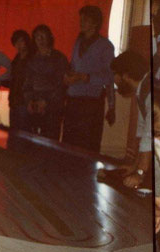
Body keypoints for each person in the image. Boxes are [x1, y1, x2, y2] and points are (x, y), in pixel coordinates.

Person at [62, 5, 115, 152]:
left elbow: (110, 76)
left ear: (95, 23)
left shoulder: (106, 46)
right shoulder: (78, 42)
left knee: (87, 145)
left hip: (91, 103)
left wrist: (111, 107)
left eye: (85, 20)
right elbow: (73, 65)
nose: (81, 22)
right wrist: (68, 75)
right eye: (81, 19)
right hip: (73, 99)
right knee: (69, 143)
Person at [110, 51, 150, 189]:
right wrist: (134, 166)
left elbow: (149, 133)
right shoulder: (141, 92)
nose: (113, 79)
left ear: (126, 76)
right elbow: (142, 130)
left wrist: (140, 173)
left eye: (115, 74)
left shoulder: (149, 92)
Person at [22, 25, 69, 139]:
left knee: (50, 142)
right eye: (37, 37)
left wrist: (46, 102)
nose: (40, 40)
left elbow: (61, 85)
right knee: (33, 143)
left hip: (53, 107)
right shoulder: (32, 59)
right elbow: (27, 84)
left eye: (43, 36)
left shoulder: (59, 58)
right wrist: (29, 101)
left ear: (50, 38)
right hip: (35, 106)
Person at [7, 30, 32, 131]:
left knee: (23, 132)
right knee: (13, 131)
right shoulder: (16, 59)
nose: (19, 44)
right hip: (14, 101)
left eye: (21, 41)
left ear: (26, 42)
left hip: (25, 101)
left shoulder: (32, 58)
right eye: (16, 42)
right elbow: (13, 79)